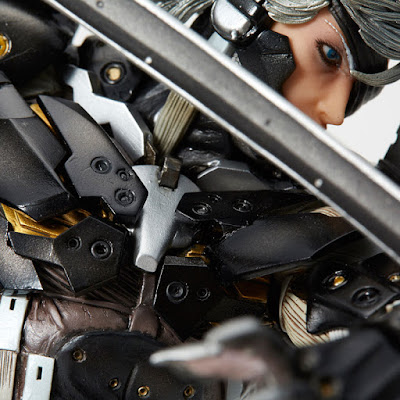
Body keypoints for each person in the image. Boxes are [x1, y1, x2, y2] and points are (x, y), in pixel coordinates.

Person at [0, 0, 399, 399]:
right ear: (243, 14)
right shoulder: (47, 71)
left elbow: (344, 331)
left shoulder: (297, 228)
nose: (336, 111)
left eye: (355, 92)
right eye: (329, 55)